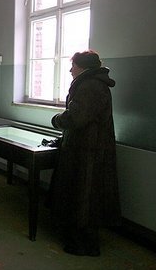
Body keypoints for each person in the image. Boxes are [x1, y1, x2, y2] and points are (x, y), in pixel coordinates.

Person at [49, 50, 121, 256]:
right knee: (83, 196)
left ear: (83, 67)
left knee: (86, 197)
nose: (71, 69)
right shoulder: (93, 84)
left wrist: (57, 120)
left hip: (89, 151)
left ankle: (85, 244)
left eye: (73, 65)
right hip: (88, 148)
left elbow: (76, 117)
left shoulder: (90, 86)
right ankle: (79, 239)